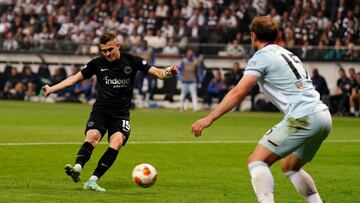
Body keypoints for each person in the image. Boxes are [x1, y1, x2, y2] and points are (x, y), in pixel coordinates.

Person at [191, 16, 332, 203]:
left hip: (302, 117)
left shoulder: (261, 57)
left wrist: (209, 118)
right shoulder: (289, 54)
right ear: (277, 36)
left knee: (256, 161)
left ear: (253, 36)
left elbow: (238, 92)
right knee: (290, 166)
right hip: (323, 116)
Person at [43, 32, 178, 192]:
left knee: (117, 142)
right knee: (92, 137)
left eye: (110, 49)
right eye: (104, 50)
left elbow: (158, 73)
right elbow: (74, 78)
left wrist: (169, 72)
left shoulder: (132, 60)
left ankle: (92, 181)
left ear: (118, 46)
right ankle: (77, 168)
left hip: (120, 113)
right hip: (101, 110)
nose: (107, 53)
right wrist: (52, 88)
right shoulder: (97, 63)